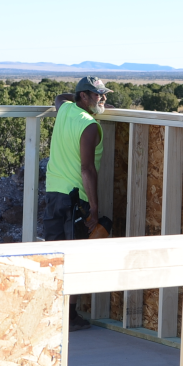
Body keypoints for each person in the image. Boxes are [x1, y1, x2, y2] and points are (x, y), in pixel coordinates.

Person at [43, 76, 112, 331]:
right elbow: (87, 169)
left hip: (53, 193)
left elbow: (59, 98)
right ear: (83, 96)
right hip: (75, 199)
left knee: (54, 255)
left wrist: (88, 102)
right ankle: (69, 318)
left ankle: (50, 314)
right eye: (98, 95)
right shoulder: (89, 125)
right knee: (73, 257)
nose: (103, 98)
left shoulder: (65, 109)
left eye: (104, 94)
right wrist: (94, 207)